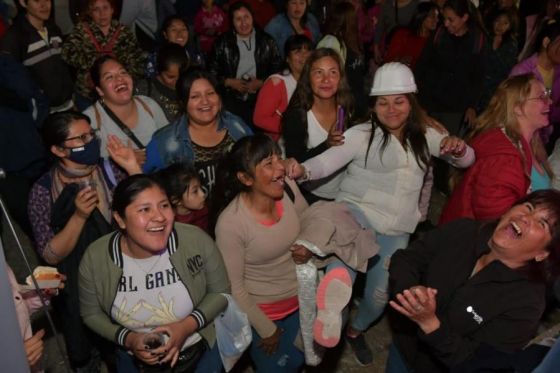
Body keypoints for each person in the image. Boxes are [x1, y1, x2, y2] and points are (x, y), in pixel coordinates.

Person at [284, 62, 474, 366]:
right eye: (383, 102)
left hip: (397, 229)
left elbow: (466, 161)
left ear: (411, 102)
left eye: (399, 101)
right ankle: (331, 312)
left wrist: (459, 147)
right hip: (357, 212)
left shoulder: (427, 135)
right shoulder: (361, 133)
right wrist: (303, 169)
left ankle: (355, 331)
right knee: (345, 248)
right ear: (374, 106)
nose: (392, 109)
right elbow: (326, 162)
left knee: (378, 297)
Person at [387, 190, 560, 372]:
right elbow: (407, 259)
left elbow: (479, 364)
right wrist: (410, 292)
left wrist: (431, 325)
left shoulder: (527, 304)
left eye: (542, 223)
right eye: (528, 207)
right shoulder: (464, 231)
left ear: (542, 254)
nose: (526, 217)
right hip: (402, 348)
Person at [79, 174, 229, 372]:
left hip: (199, 356)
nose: (159, 216)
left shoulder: (195, 242)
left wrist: (186, 327)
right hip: (133, 362)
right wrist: (129, 339)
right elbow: (91, 313)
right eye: (144, 209)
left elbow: (222, 291)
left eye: (164, 205)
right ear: (120, 219)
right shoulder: (96, 257)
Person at [27, 110, 141, 371]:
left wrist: (133, 167)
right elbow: (50, 255)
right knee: (86, 353)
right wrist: (78, 217)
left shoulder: (113, 171)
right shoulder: (43, 192)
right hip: (79, 288)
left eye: (91, 134)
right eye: (80, 139)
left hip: (126, 279)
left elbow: (150, 216)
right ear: (58, 150)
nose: (90, 142)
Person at [212, 134, 308, 372]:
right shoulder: (231, 224)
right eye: (268, 163)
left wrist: (309, 248)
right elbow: (234, 287)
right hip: (262, 315)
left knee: (297, 361)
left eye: (279, 158)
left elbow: (309, 223)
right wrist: (266, 328)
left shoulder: (287, 189)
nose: (280, 168)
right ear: (245, 178)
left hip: (301, 302)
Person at [440, 74, 554, 225]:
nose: (550, 102)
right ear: (517, 108)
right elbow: (499, 225)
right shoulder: (503, 158)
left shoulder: (530, 144)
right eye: (541, 97)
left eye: (548, 94)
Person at [143, 68, 253, 196]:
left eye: (210, 93)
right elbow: (149, 187)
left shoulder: (236, 125)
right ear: (183, 102)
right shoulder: (165, 142)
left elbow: (256, 164)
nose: (205, 101)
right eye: (195, 96)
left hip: (237, 210)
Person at [281, 48, 353, 204]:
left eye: (333, 72)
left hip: (347, 194)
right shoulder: (297, 115)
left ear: (340, 77)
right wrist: (327, 144)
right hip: (310, 196)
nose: (326, 79)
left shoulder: (349, 107)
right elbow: (295, 163)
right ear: (308, 78)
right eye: (318, 73)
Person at [415, 0, 487, 136]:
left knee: (445, 146)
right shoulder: (439, 34)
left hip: (455, 107)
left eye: (451, 20)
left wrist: (472, 106)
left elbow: (478, 76)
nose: (446, 23)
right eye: (444, 19)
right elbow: (421, 67)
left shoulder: (477, 39)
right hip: (430, 102)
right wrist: (419, 103)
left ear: (464, 18)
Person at [208, 1, 282, 127]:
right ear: (232, 22)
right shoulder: (222, 43)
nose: (243, 23)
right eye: (238, 19)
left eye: (246, 17)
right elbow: (210, 72)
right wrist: (229, 82)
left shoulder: (267, 41)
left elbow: (279, 70)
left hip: (261, 97)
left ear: (252, 17)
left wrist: (262, 83)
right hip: (230, 97)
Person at [84, 56, 168, 164]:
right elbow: (87, 165)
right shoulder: (90, 121)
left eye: (123, 72)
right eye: (109, 77)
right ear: (100, 90)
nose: (119, 79)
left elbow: (169, 140)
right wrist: (118, 161)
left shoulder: (148, 105)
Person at [61, 0, 145, 110]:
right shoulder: (81, 31)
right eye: (96, 9)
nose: (102, 14)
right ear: (90, 13)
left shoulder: (124, 32)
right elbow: (66, 53)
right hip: (88, 94)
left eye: (105, 8)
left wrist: (122, 75)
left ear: (112, 10)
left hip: (117, 93)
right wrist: (92, 63)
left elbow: (137, 62)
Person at [0, 0, 74, 112]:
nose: (44, 5)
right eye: (37, 0)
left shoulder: (54, 29)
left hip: (68, 105)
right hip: (42, 114)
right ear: (23, 3)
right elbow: (13, 82)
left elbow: (63, 67)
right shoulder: (14, 37)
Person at [510, 18, 560, 148]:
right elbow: (511, 113)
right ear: (546, 42)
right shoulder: (522, 72)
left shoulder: (558, 71)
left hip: (547, 139)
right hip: (525, 141)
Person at [253, 34, 313, 141]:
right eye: (298, 51)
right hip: (282, 145)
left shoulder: (316, 80)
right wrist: (292, 128)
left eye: (307, 50)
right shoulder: (276, 83)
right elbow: (259, 119)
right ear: (287, 59)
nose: (304, 55)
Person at [317, 1, 368, 118]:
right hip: (343, 105)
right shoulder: (331, 42)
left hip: (357, 101)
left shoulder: (353, 41)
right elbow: (326, 77)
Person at [477, 8, 519, 112]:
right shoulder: (485, 37)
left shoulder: (511, 44)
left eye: (505, 23)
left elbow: (505, 69)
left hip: (495, 92)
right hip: (479, 89)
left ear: (510, 25)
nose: (500, 26)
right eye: (497, 21)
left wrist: (495, 49)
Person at [136, 42, 189, 123]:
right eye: (170, 77)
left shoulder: (191, 86)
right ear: (159, 71)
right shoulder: (144, 90)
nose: (177, 81)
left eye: (182, 75)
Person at [384, 1, 440, 69]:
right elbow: (388, 59)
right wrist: (400, 60)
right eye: (433, 16)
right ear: (422, 16)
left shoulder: (435, 40)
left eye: (437, 16)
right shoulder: (403, 34)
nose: (437, 20)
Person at [157, 163, 209, 232]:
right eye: (195, 191)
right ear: (176, 200)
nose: (203, 194)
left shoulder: (203, 212)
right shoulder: (168, 223)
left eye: (200, 187)